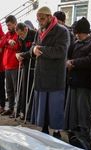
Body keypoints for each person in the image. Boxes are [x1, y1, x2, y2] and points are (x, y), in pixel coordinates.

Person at [30, 6, 70, 138]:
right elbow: (33, 47)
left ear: (49, 17)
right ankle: (44, 127)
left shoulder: (62, 31)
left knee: (55, 106)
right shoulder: (39, 31)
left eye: (42, 18)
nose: (40, 21)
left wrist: (40, 49)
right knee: (43, 105)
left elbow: (60, 51)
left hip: (55, 75)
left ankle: (57, 131)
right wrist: (33, 50)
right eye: (38, 19)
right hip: (41, 74)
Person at [64, 18, 91, 150]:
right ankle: (74, 141)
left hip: (85, 84)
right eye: (76, 33)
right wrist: (68, 61)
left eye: (79, 33)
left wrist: (73, 63)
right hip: (73, 83)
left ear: (86, 32)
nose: (77, 35)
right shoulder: (75, 43)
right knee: (73, 115)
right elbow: (67, 56)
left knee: (83, 115)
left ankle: (86, 144)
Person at [0, 15, 20, 116]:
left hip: (15, 66)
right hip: (7, 66)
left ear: (15, 24)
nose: (8, 27)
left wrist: (8, 44)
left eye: (10, 25)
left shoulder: (18, 34)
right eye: (7, 25)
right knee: (9, 89)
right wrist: (8, 42)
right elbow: (1, 43)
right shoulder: (7, 34)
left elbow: (16, 46)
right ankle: (11, 108)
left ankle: (18, 110)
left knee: (16, 89)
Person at [15, 22, 37, 120]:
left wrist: (22, 55)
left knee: (30, 89)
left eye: (21, 34)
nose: (20, 36)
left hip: (34, 65)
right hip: (25, 64)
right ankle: (22, 110)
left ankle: (30, 112)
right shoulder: (19, 37)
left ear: (26, 29)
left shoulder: (34, 34)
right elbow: (19, 49)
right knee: (23, 89)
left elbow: (32, 51)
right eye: (18, 35)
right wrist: (18, 55)